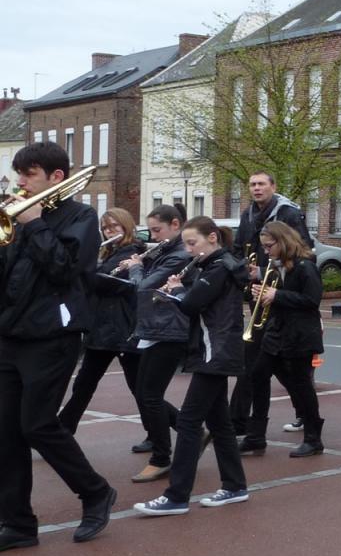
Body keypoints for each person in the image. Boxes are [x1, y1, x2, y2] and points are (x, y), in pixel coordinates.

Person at [0, 143, 116, 553]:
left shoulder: (81, 217)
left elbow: (65, 270)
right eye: (19, 174)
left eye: (28, 174)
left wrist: (34, 224)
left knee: (37, 425)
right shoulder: (17, 218)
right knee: (5, 432)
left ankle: (95, 492)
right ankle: (17, 523)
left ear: (56, 177)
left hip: (53, 335)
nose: (20, 182)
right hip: (10, 334)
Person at [133, 217, 249, 515]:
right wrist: (181, 288)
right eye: (185, 244)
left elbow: (191, 304)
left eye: (192, 243)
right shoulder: (212, 265)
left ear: (212, 238)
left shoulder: (220, 267)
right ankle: (235, 485)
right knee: (220, 423)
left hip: (215, 351)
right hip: (214, 350)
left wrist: (175, 291)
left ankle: (177, 496)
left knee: (188, 422)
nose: (188, 250)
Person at [230, 171, 312, 435]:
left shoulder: (288, 213)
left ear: (273, 187)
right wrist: (243, 268)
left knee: (271, 364)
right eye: (252, 184)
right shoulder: (248, 214)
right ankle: (242, 423)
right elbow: (239, 249)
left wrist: (265, 270)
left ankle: (305, 416)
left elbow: (303, 251)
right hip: (258, 294)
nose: (256, 188)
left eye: (261, 184)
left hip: (280, 296)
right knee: (259, 363)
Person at [240, 222, 325, 458]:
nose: (266, 251)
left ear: (283, 242)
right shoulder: (275, 266)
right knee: (258, 375)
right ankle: (256, 436)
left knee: (301, 384)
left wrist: (277, 295)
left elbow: (312, 300)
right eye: (264, 246)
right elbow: (276, 296)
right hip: (277, 333)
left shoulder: (305, 266)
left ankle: (313, 439)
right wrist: (261, 293)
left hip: (300, 335)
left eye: (269, 246)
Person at [124, 205, 196, 481]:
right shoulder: (166, 250)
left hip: (170, 329)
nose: (153, 237)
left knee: (150, 395)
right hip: (156, 327)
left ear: (175, 225)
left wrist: (135, 268)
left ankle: (161, 457)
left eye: (157, 230)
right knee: (145, 393)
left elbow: (144, 286)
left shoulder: (179, 254)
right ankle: (190, 433)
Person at [59, 208, 145, 432]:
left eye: (114, 226)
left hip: (120, 328)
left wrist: (88, 269)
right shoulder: (110, 252)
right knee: (84, 384)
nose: (109, 231)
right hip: (103, 328)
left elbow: (109, 284)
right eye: (105, 228)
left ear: (126, 226)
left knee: (140, 390)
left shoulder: (133, 252)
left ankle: (176, 428)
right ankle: (62, 431)